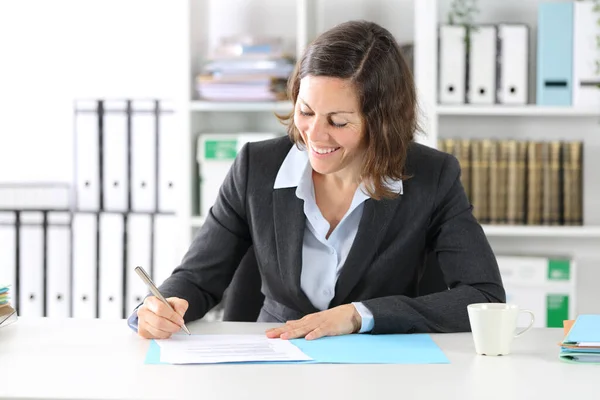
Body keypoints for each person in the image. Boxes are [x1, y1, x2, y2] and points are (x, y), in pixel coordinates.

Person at [128, 20, 505, 340]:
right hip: (274, 361)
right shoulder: (255, 167)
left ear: (382, 121)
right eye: (306, 112)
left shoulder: (432, 177)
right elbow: (196, 277)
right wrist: (159, 306)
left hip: (383, 369)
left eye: (338, 122)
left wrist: (359, 315)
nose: (315, 136)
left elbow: (484, 297)